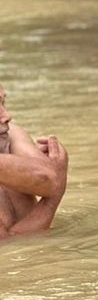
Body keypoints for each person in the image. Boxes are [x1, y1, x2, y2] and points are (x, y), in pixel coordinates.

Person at [0, 84, 68, 238]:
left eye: (3, 103)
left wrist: (57, 181)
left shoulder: (11, 134)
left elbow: (49, 179)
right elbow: (15, 243)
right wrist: (53, 199)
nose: (7, 116)